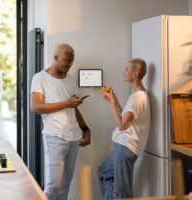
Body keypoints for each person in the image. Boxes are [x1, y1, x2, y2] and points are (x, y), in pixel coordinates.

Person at [30, 43, 91, 200]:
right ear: (56, 58)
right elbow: (36, 107)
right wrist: (67, 103)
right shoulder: (40, 78)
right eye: (66, 60)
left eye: (72, 61)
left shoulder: (70, 80)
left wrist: (85, 129)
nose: (69, 64)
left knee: (65, 186)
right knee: (53, 186)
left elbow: (73, 108)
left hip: (74, 137)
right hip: (55, 137)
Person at [98, 58, 151, 199]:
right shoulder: (135, 96)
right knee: (103, 173)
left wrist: (111, 102)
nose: (123, 72)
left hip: (126, 147)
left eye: (126, 69)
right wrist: (113, 99)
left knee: (122, 191)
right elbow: (123, 114)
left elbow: (122, 125)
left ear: (135, 74)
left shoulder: (138, 98)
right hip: (123, 147)